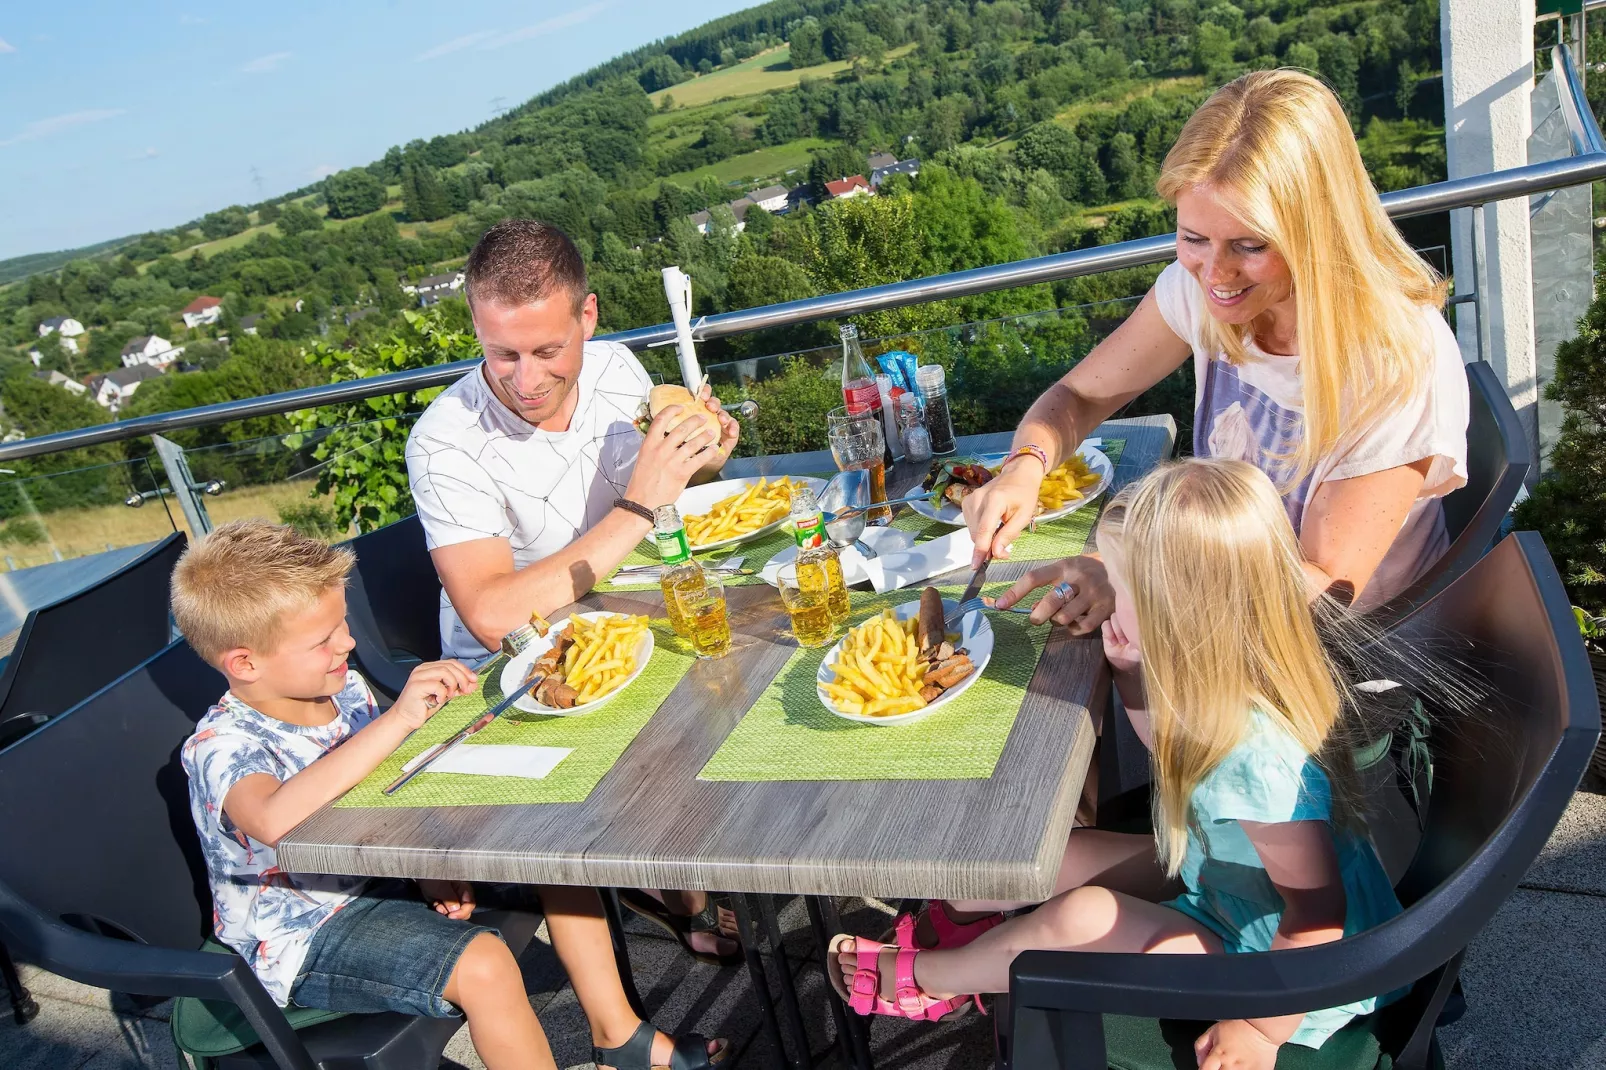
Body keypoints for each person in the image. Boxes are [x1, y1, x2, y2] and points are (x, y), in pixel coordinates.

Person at [830, 460, 1403, 1069]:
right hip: (1227, 880)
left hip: (1282, 968)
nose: (1109, 602)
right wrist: (1130, 675)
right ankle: (984, 951)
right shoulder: (1227, 669)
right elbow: (1171, 750)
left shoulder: (1261, 762)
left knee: (1081, 915)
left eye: (1122, 592)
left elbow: (1317, 917)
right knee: (1052, 854)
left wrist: (1259, 1031)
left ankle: (932, 978)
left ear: (1176, 611)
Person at [175, 520, 728, 1070]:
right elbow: (271, 819)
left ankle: (619, 1036)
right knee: (482, 964)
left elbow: (384, 792)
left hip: (384, 869)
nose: (347, 642)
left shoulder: (338, 687)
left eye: (342, 624)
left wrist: (426, 869)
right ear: (244, 663)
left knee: (555, 855)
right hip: (304, 927)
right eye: (323, 640)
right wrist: (396, 722)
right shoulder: (221, 744)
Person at [965, 70, 1469, 628]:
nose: (1216, 274)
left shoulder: (1393, 357)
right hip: (1220, 607)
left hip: (1354, 653)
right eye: (1193, 238)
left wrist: (1128, 573)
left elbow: (1318, 588)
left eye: (1250, 245)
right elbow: (1079, 395)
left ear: (1320, 230)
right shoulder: (1201, 291)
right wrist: (1023, 468)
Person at [405, 219, 742, 964]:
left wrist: (705, 449)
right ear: (475, 328)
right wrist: (641, 504)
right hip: (519, 677)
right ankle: (671, 883)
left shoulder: (622, 371)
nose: (526, 380)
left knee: (748, 654)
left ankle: (695, 862)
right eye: (502, 355)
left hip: (625, 619)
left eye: (548, 351)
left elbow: (690, 477)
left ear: (587, 317)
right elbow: (492, 617)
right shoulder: (443, 441)